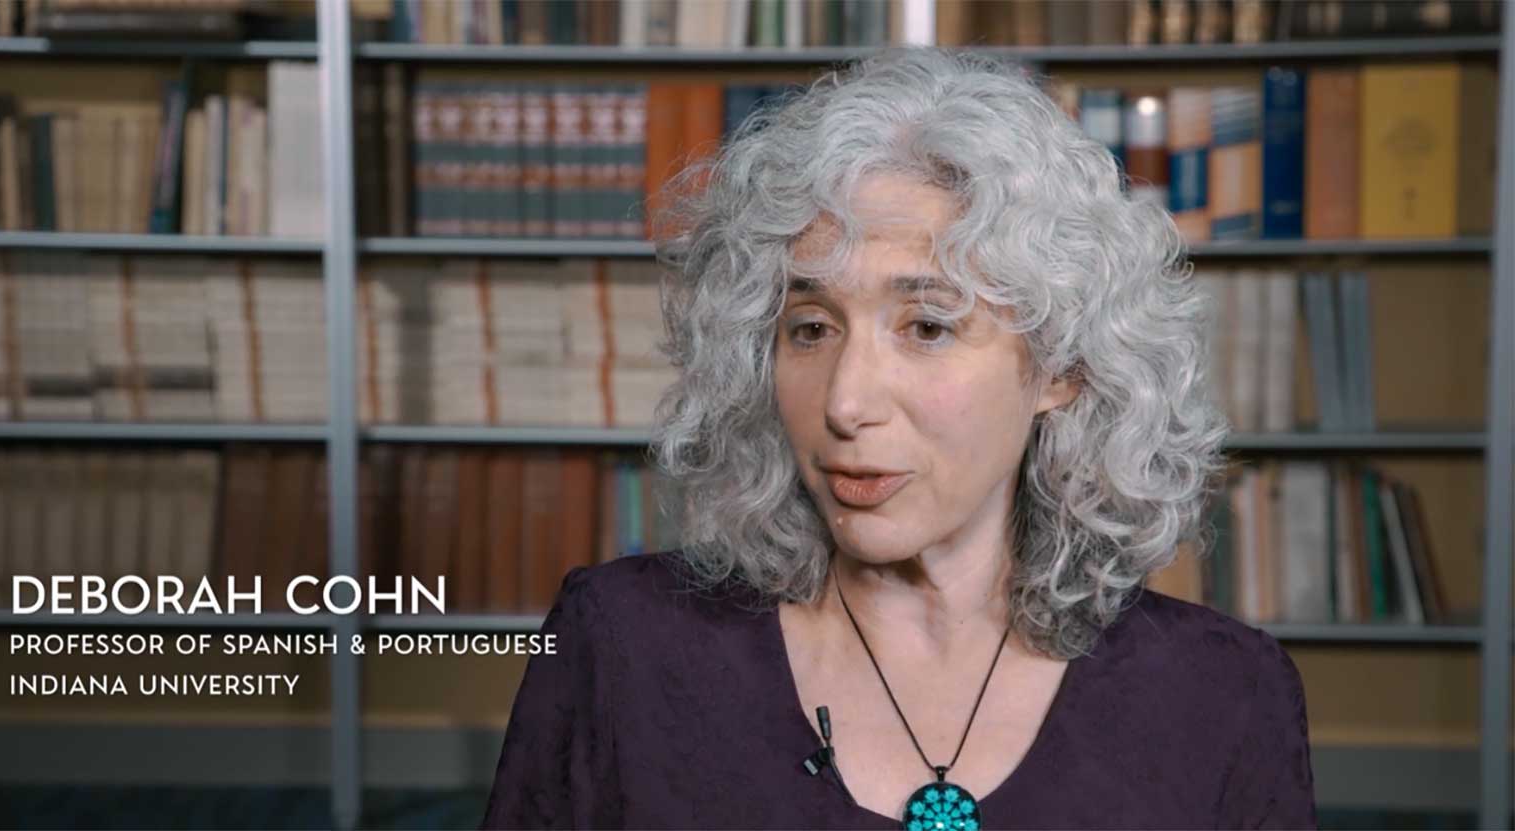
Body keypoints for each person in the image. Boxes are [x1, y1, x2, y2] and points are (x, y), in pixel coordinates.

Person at [480, 47, 1315, 830]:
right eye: (810, 328)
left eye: (926, 325)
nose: (846, 401)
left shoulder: (1224, 696)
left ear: (1060, 368)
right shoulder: (620, 645)